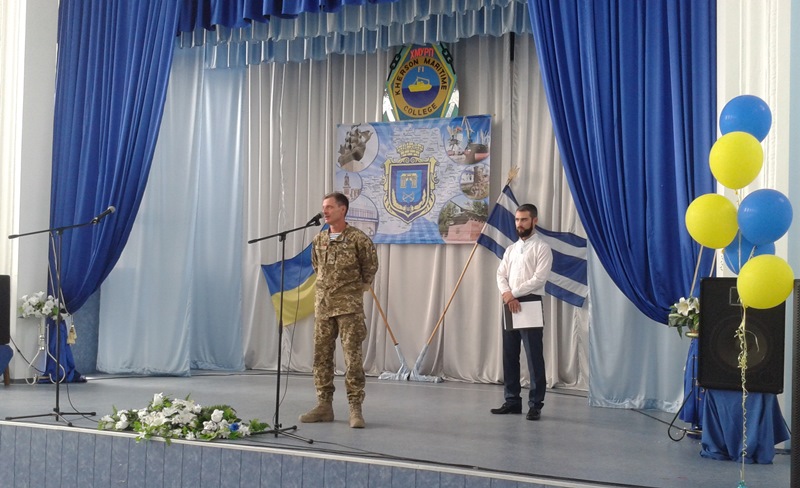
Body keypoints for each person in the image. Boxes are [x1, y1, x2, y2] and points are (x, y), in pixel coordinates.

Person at [300, 192, 379, 428]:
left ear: (342, 209)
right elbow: (317, 267)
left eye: (329, 207)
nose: (324, 211)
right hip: (324, 308)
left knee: (352, 360)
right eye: (323, 207)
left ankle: (355, 409)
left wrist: (352, 291)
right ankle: (324, 406)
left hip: (348, 309)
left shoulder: (358, 239)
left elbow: (370, 268)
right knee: (321, 358)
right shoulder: (319, 239)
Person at [490, 203, 553, 421]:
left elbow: (539, 279)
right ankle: (512, 401)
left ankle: (535, 404)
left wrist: (512, 294)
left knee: (533, 356)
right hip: (510, 303)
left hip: (530, 302)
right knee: (509, 354)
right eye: (517, 220)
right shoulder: (511, 249)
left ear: (534, 221)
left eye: (524, 219)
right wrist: (507, 294)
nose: (519, 224)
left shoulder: (542, 248)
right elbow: (500, 274)